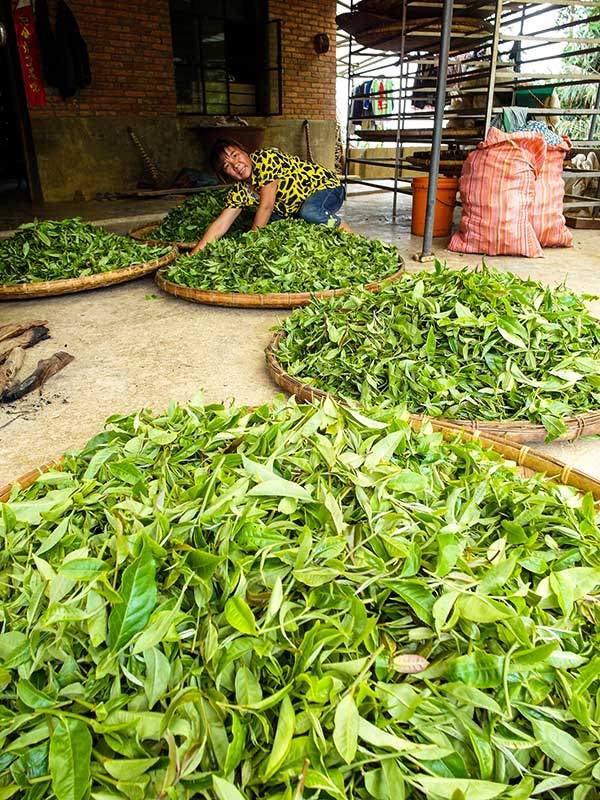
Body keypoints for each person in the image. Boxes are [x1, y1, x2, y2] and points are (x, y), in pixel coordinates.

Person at [190, 139, 351, 254]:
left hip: (327, 188)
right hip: (294, 207)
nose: (235, 165)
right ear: (226, 174)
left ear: (245, 152)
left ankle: (343, 228)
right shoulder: (240, 191)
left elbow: (266, 206)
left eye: (235, 155)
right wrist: (195, 254)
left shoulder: (266, 159)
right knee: (271, 227)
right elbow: (221, 224)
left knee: (309, 212)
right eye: (227, 166)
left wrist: (250, 244)